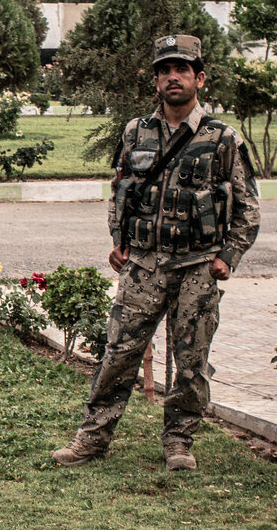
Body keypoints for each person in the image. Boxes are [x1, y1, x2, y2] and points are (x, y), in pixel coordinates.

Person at [53, 34, 260, 471]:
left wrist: (229, 256)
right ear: (156, 81)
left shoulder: (223, 139)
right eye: (164, 70)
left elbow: (247, 208)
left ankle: (179, 443)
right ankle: (91, 440)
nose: (172, 77)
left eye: (181, 70)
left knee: (190, 362)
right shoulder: (136, 132)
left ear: (199, 78)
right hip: (144, 265)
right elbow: (121, 192)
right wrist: (118, 240)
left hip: (198, 266)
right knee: (118, 355)